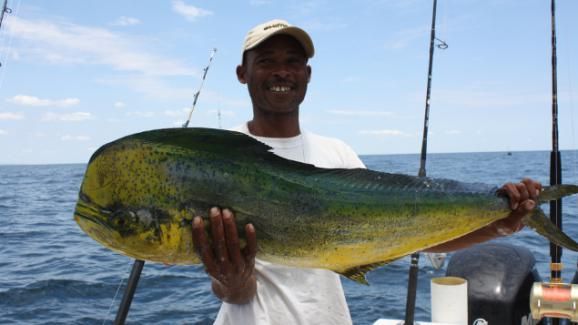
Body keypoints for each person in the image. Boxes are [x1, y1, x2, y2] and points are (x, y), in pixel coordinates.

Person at [191, 19, 542, 325]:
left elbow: (407, 237)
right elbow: (232, 291)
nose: (281, 71)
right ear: (243, 73)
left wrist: (497, 225)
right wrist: (231, 282)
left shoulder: (338, 154)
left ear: (307, 74)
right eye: (266, 61)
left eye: (293, 62)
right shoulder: (219, 158)